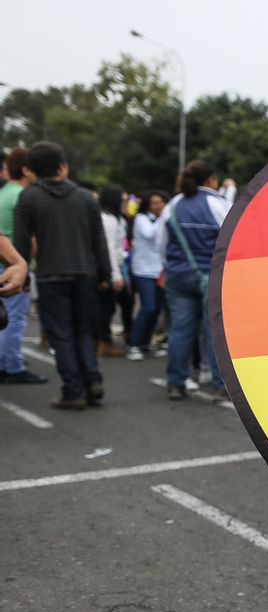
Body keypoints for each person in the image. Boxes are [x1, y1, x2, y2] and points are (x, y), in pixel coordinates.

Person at [12, 141, 113, 410]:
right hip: (85, 273)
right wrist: (105, 272)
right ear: (62, 166)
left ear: (31, 170)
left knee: (61, 336)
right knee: (84, 331)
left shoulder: (29, 198)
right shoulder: (84, 198)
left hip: (50, 274)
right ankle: (93, 382)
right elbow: (98, 240)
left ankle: (73, 391)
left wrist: (20, 275)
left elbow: (21, 241)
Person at [157, 160, 229, 401]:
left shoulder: (173, 205)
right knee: (214, 332)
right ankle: (220, 385)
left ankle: (176, 383)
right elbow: (234, 240)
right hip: (211, 277)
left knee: (180, 330)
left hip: (178, 275)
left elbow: (162, 243)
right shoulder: (219, 204)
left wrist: (169, 266)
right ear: (210, 180)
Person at [0, 147, 47, 384]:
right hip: (13, 265)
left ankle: (4, 361)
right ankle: (13, 367)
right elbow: (30, 237)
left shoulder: (5, 192)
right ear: (27, 170)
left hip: (5, 262)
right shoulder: (21, 195)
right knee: (15, 318)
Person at [126, 190, 168, 361]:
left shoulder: (163, 220)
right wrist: (163, 218)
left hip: (159, 270)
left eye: (161, 202)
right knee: (148, 307)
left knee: (157, 309)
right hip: (143, 270)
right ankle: (133, 344)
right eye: (154, 203)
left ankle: (145, 342)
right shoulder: (141, 218)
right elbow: (150, 234)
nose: (157, 206)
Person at [96, 185, 128, 358]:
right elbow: (109, 249)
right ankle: (103, 343)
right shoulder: (109, 220)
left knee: (105, 307)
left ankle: (101, 341)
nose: (126, 203)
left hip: (106, 269)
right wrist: (115, 275)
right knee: (105, 308)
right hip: (107, 270)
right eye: (122, 200)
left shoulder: (113, 218)